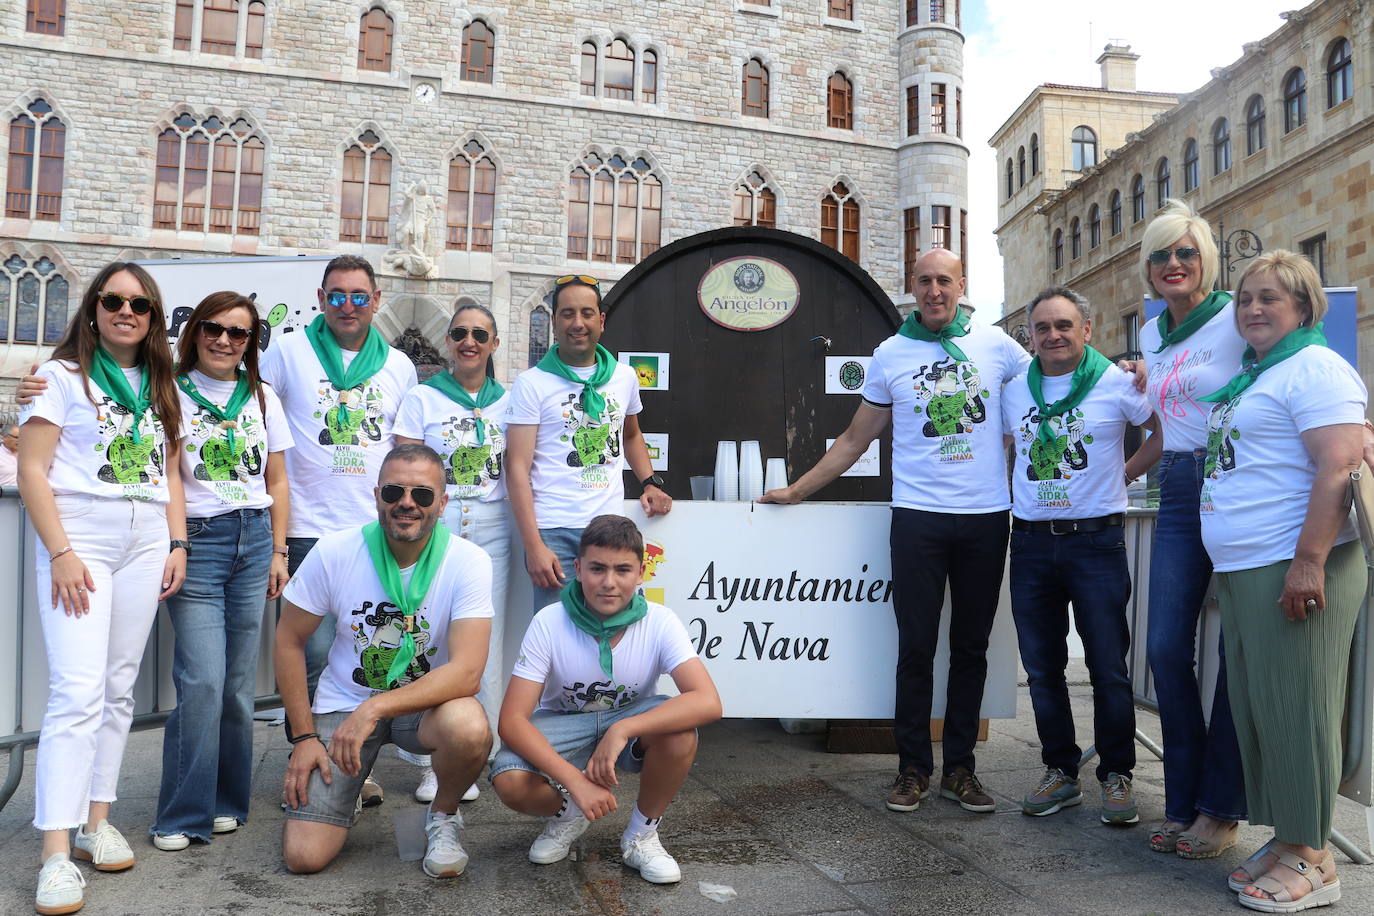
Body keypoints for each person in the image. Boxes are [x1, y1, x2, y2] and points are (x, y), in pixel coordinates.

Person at [761, 248, 1031, 814]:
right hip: (918, 520)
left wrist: (1123, 373)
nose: (935, 291)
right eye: (925, 281)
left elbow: (1045, 399)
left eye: (945, 281)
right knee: (915, 647)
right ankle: (912, 769)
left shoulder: (997, 346)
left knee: (971, 649)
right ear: (912, 286)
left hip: (985, 518)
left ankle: (961, 770)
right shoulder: (891, 353)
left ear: (963, 284)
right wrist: (797, 490)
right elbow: (854, 441)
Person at [17, 261, 187, 916]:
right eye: (114, 300)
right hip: (80, 539)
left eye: (140, 305)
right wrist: (59, 551)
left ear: (152, 318)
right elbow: (33, 469)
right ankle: (55, 854)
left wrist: (177, 541)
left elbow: (171, 472)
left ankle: (96, 821)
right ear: (92, 309)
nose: (126, 311)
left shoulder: (161, 382)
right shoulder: (59, 377)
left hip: (145, 543)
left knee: (118, 688)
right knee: (77, 692)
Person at [1198, 251, 1365, 912]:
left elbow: (1337, 468)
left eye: (1270, 298)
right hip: (1247, 565)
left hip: (1294, 563)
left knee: (1299, 709)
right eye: (1245, 300)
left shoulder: (1317, 368)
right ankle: (1290, 837)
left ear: (1303, 306)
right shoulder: (1256, 374)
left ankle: (1315, 859)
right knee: (1261, 710)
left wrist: (1308, 561)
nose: (1254, 310)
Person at [275, 444, 493, 878]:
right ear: (376, 495)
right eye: (393, 492)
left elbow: (468, 673)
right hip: (344, 704)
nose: (406, 503)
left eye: (423, 494)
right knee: (304, 858)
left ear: (443, 503)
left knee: (469, 725)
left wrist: (374, 708)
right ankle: (346, 790)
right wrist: (303, 739)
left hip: (421, 710)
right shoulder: (335, 550)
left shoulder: (468, 561)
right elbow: (287, 640)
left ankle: (443, 816)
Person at [260, 254, 417, 806]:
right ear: (321, 298)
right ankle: (307, 753)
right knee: (312, 652)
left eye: (359, 296)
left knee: (357, 653)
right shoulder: (287, 351)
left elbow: (402, 452)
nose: (347, 306)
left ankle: (352, 759)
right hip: (306, 528)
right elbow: (249, 419)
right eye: (337, 295)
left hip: (369, 533)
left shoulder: (399, 366)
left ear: (376, 302)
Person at [1002, 287, 1161, 826]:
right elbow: (1002, 447)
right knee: (1043, 668)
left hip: (1095, 543)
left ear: (1087, 330)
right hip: (1029, 542)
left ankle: (1117, 774)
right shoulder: (1013, 390)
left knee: (1107, 666)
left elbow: (1165, 428)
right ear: (1031, 336)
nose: (1054, 335)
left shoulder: (1118, 384)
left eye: (1065, 325)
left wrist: (1128, 472)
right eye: (1043, 327)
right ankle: (1060, 771)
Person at [491, 514, 721, 884]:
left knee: (680, 730)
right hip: (566, 724)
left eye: (622, 570)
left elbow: (708, 700)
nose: (609, 583)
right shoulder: (550, 621)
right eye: (597, 568)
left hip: (630, 722)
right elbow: (512, 721)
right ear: (578, 569)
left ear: (641, 572)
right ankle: (567, 813)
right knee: (509, 781)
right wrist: (575, 782)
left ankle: (642, 835)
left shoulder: (660, 620)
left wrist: (622, 729)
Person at [149, 292, 293, 851]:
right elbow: (172, 480)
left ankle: (228, 801)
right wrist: (178, 542)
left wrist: (279, 551)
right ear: (194, 332)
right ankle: (182, 814)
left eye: (239, 333)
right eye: (213, 328)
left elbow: (277, 480)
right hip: (203, 545)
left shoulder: (261, 397)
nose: (224, 341)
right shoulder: (171, 392)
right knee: (202, 682)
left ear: (251, 343)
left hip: (254, 539)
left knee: (236, 688)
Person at [1137, 200, 1249, 859]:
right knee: (1164, 648)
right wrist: (1113, 475)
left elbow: (1294, 361)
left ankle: (1220, 809)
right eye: (1161, 255)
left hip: (1235, 479)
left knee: (1238, 652)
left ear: (1207, 259)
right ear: (1148, 270)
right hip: (1177, 487)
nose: (1173, 263)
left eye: (1185, 252)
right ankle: (1182, 799)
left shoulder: (1240, 314)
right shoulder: (1153, 334)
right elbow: (1162, 427)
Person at [394, 302, 510, 803]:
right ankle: (430, 760)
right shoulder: (422, 398)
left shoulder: (511, 402)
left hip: (494, 527)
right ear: (449, 342)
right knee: (427, 638)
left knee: (487, 642)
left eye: (479, 335)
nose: (469, 341)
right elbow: (404, 465)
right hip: (438, 525)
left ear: (494, 344)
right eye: (460, 333)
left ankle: (483, 749)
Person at [506, 275, 671, 612]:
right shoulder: (531, 383)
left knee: (624, 632)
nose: (577, 323)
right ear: (554, 322)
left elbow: (630, 434)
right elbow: (517, 468)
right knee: (561, 638)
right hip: (554, 530)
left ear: (601, 321)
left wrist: (649, 481)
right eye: (567, 314)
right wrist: (533, 544)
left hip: (610, 528)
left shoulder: (624, 377)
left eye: (586, 313)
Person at [0, 422, 18, 486]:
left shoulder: (27, 454)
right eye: (16, 437)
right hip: (4, 494)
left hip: (25, 494)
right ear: (4, 437)